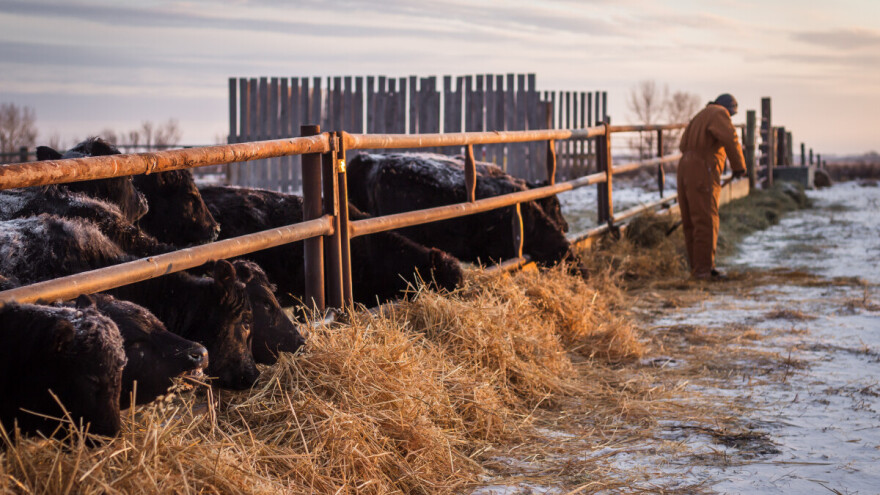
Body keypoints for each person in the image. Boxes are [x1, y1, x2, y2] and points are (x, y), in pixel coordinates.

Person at [677, 93, 747, 281]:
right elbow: (731, 138)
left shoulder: (700, 115)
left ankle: (698, 267)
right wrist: (739, 166)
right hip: (703, 169)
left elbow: (682, 144)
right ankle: (703, 271)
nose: (730, 118)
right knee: (706, 219)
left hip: (684, 167)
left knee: (691, 220)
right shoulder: (719, 114)